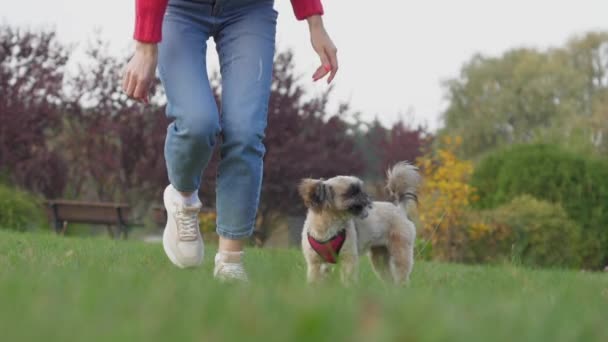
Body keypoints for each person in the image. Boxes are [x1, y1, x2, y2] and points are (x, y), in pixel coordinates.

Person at [122, 0, 338, 281]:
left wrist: (315, 24)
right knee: (198, 122)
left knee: (246, 132)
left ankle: (230, 262)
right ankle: (184, 198)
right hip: (181, 9)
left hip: (248, 10)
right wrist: (145, 47)